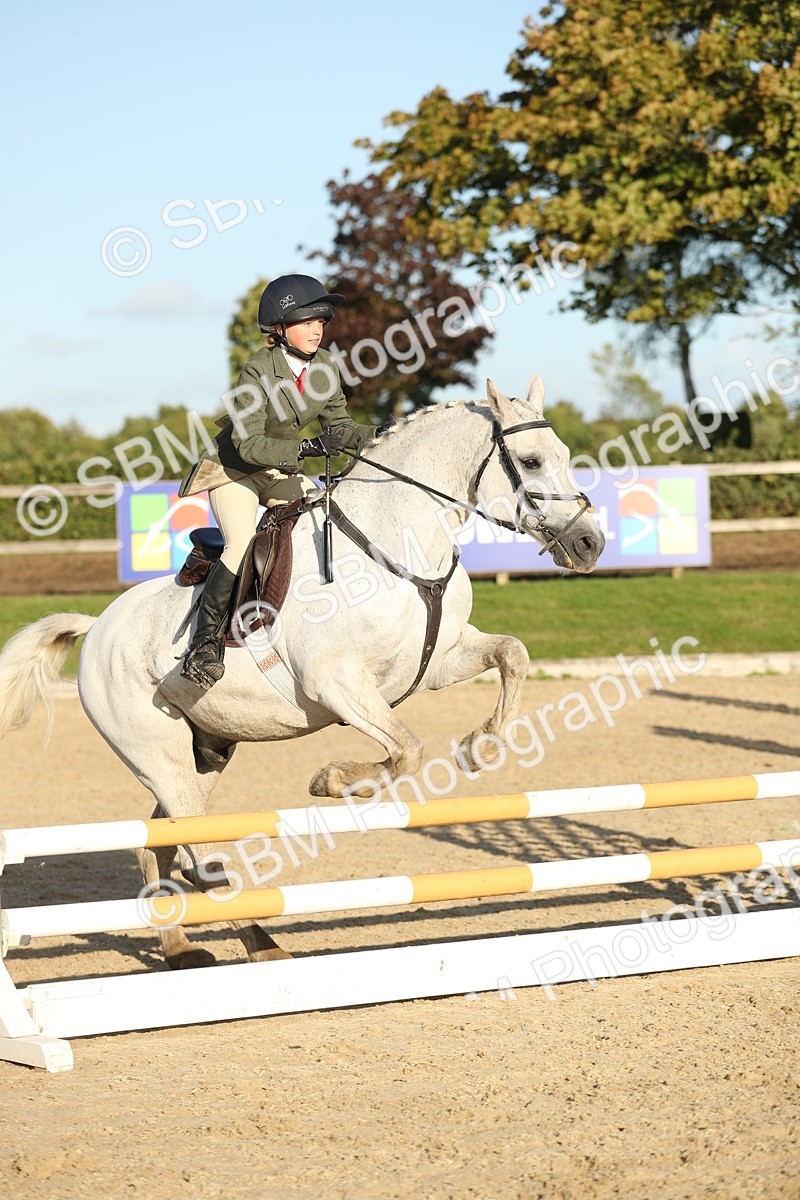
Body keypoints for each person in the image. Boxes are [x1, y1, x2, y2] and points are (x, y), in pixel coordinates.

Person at [178, 273, 371, 689]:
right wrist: (305, 450)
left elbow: (341, 427)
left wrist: (393, 434)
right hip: (235, 472)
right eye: (306, 322)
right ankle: (205, 643)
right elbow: (248, 446)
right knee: (241, 541)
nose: (317, 329)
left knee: (325, 516)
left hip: (279, 472)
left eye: (321, 321)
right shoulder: (256, 370)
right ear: (280, 329)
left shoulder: (324, 368)